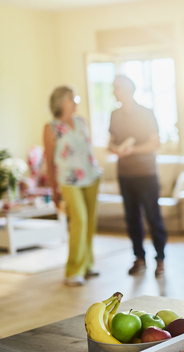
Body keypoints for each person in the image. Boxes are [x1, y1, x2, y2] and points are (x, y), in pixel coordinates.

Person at [108, 75, 167, 277]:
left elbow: (154, 144)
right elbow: (111, 140)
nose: (115, 92)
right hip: (125, 174)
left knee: (153, 216)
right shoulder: (115, 115)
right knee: (131, 218)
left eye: (117, 88)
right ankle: (139, 258)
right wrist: (114, 148)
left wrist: (131, 151)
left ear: (128, 90)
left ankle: (160, 259)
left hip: (146, 173)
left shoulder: (146, 113)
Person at [43, 86, 102, 287]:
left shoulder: (81, 121)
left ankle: (87, 265)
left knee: (90, 222)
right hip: (68, 180)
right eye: (72, 98)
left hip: (92, 176)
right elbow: (49, 161)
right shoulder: (50, 128)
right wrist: (54, 190)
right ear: (61, 102)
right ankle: (73, 271)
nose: (76, 101)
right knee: (80, 219)